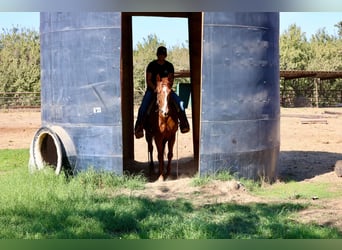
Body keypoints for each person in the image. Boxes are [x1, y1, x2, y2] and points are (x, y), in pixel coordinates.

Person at [134, 46, 190, 139]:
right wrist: (155, 88)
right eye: (160, 54)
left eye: (163, 55)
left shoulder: (169, 66)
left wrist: (167, 88)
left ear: (165, 55)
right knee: (143, 107)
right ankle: (139, 127)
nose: (161, 56)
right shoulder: (152, 65)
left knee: (180, 103)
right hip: (153, 90)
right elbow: (148, 79)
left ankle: (184, 124)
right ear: (157, 55)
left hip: (166, 90)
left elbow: (171, 80)